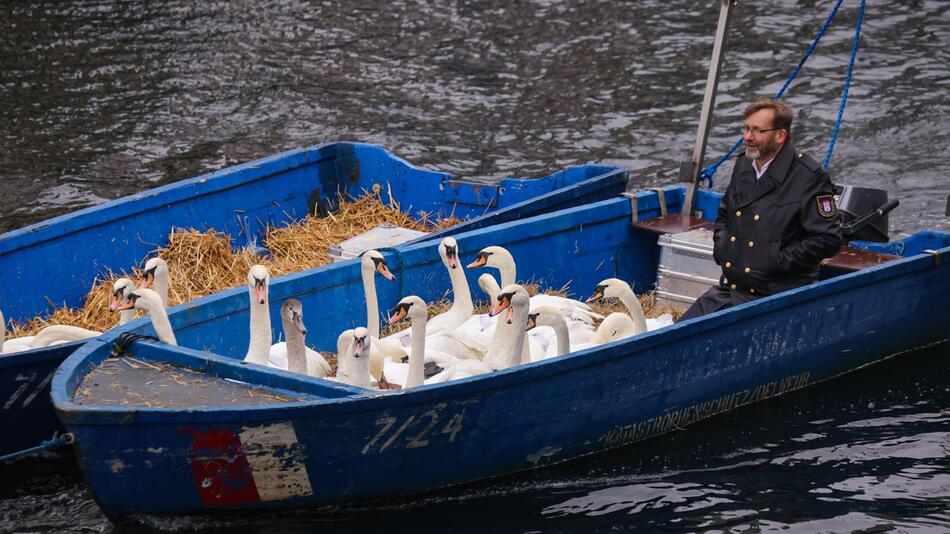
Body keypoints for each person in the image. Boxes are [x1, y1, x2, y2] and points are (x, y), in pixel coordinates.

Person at [679, 98, 843, 321]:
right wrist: (724, 247)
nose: (747, 137)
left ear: (780, 135)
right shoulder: (744, 164)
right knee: (681, 330)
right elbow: (725, 213)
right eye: (746, 129)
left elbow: (827, 239)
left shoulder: (809, 176)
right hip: (733, 287)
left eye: (757, 130)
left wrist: (773, 260)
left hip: (778, 292)